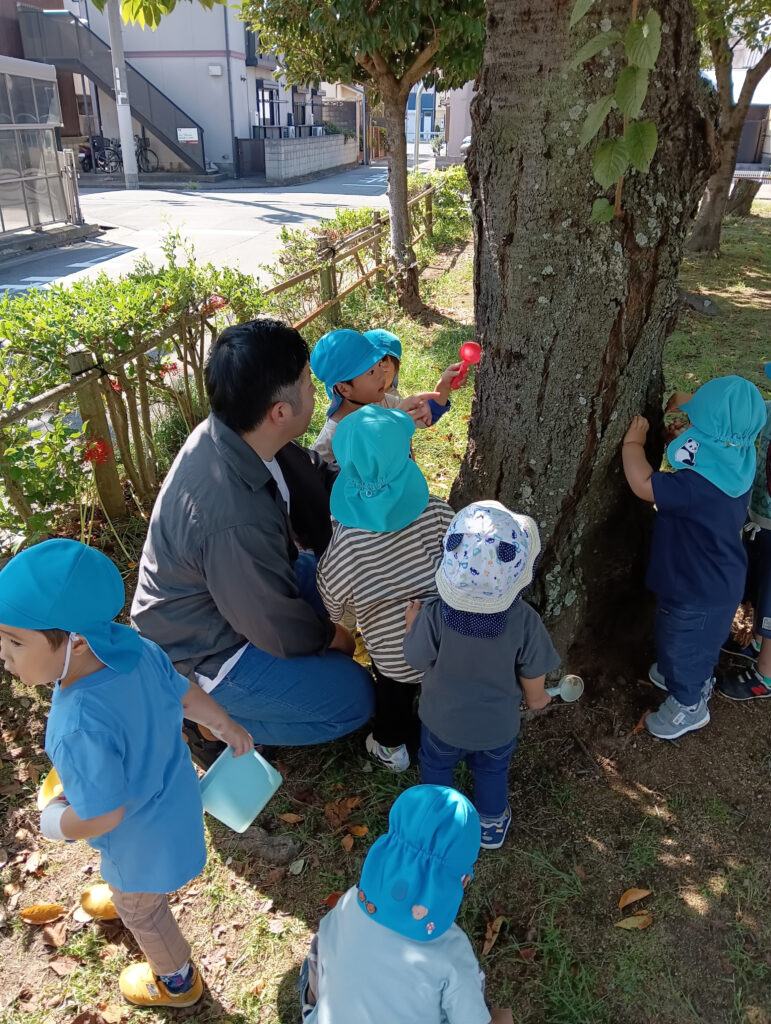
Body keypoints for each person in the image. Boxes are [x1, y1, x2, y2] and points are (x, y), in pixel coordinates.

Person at [0, 539, 253, 1008]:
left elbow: (105, 815)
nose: (3, 653)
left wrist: (53, 823)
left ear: (75, 640)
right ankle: (123, 894)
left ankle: (177, 983)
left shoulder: (73, 723)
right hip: (174, 804)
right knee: (134, 890)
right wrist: (224, 723)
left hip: (138, 841)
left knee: (145, 911)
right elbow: (184, 695)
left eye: (15, 640)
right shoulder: (137, 650)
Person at [131, 318, 374, 753]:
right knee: (355, 699)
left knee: (333, 572)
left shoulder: (242, 433)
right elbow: (273, 623)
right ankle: (204, 721)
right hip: (205, 651)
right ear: (279, 412)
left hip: (236, 596)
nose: (315, 392)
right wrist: (332, 637)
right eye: (306, 384)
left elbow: (316, 481)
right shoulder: (231, 516)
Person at [403, 502, 559, 849]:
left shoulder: (434, 614)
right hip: (496, 729)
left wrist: (412, 627)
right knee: (491, 772)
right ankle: (489, 822)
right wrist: (537, 698)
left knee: (436, 767)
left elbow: (416, 659)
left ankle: (438, 820)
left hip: (441, 723)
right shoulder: (524, 621)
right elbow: (533, 670)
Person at [621, 375, 766, 739]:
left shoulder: (693, 487)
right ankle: (682, 672)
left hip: (697, 590)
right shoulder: (741, 461)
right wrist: (686, 403)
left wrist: (632, 445)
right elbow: (720, 426)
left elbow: (643, 484)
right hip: (710, 580)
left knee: (684, 643)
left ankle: (689, 703)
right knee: (682, 638)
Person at [298, 785, 513, 1024]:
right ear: (462, 880)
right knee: (501, 1017)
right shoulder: (451, 949)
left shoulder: (350, 902)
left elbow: (323, 952)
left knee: (315, 961)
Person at [316, 406, 454, 771]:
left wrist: (334, 621)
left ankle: (392, 749)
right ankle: (441, 739)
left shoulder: (348, 538)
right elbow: (462, 556)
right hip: (443, 635)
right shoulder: (436, 511)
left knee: (393, 695)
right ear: (408, 458)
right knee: (440, 692)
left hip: (392, 651)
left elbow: (331, 588)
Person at [309, 328, 460, 464]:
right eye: (371, 372)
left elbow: (427, 416)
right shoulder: (328, 445)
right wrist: (392, 424)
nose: (383, 375)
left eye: (380, 365)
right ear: (344, 389)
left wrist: (444, 385)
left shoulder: (383, 402)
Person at [718, 363, 771, 701]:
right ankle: (751, 642)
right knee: (756, 584)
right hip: (759, 520)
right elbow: (738, 427)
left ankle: (765, 675)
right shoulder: (765, 412)